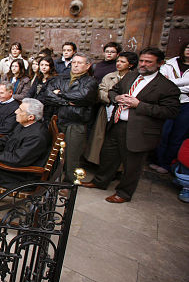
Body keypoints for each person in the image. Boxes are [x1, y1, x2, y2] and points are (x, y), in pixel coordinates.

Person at [81, 48, 180, 203]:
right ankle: (100, 181)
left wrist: (139, 105)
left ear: (160, 63)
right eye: (141, 61)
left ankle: (124, 193)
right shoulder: (131, 76)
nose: (143, 64)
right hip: (117, 124)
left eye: (148, 62)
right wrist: (117, 97)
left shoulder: (166, 87)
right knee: (108, 156)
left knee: (132, 164)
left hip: (140, 131)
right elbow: (113, 91)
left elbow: (171, 111)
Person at [44, 53, 97, 182]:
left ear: (87, 65)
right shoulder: (61, 78)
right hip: (58, 120)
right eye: (74, 62)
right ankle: (50, 179)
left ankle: (69, 183)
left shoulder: (90, 82)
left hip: (76, 122)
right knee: (52, 152)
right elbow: (48, 94)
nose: (76, 65)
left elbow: (83, 96)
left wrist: (61, 94)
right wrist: (66, 101)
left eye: (80, 63)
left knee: (71, 155)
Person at [86, 51, 138, 165]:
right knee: (100, 137)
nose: (118, 63)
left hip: (124, 112)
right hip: (106, 109)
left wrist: (124, 101)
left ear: (131, 64)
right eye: (118, 61)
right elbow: (100, 91)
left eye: (122, 62)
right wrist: (112, 98)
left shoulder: (136, 79)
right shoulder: (110, 76)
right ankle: (96, 161)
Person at [154, 41, 189, 173]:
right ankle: (158, 160)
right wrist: (183, 85)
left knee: (178, 135)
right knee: (163, 132)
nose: (188, 51)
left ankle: (167, 164)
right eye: (187, 48)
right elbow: (162, 81)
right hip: (167, 102)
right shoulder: (170, 63)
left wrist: (172, 84)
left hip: (186, 104)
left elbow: (168, 84)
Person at [27, 56, 57, 120]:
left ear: (50, 67)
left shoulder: (54, 79)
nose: (43, 67)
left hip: (46, 109)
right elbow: (31, 91)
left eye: (46, 65)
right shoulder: (39, 77)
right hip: (34, 106)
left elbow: (47, 95)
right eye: (41, 65)